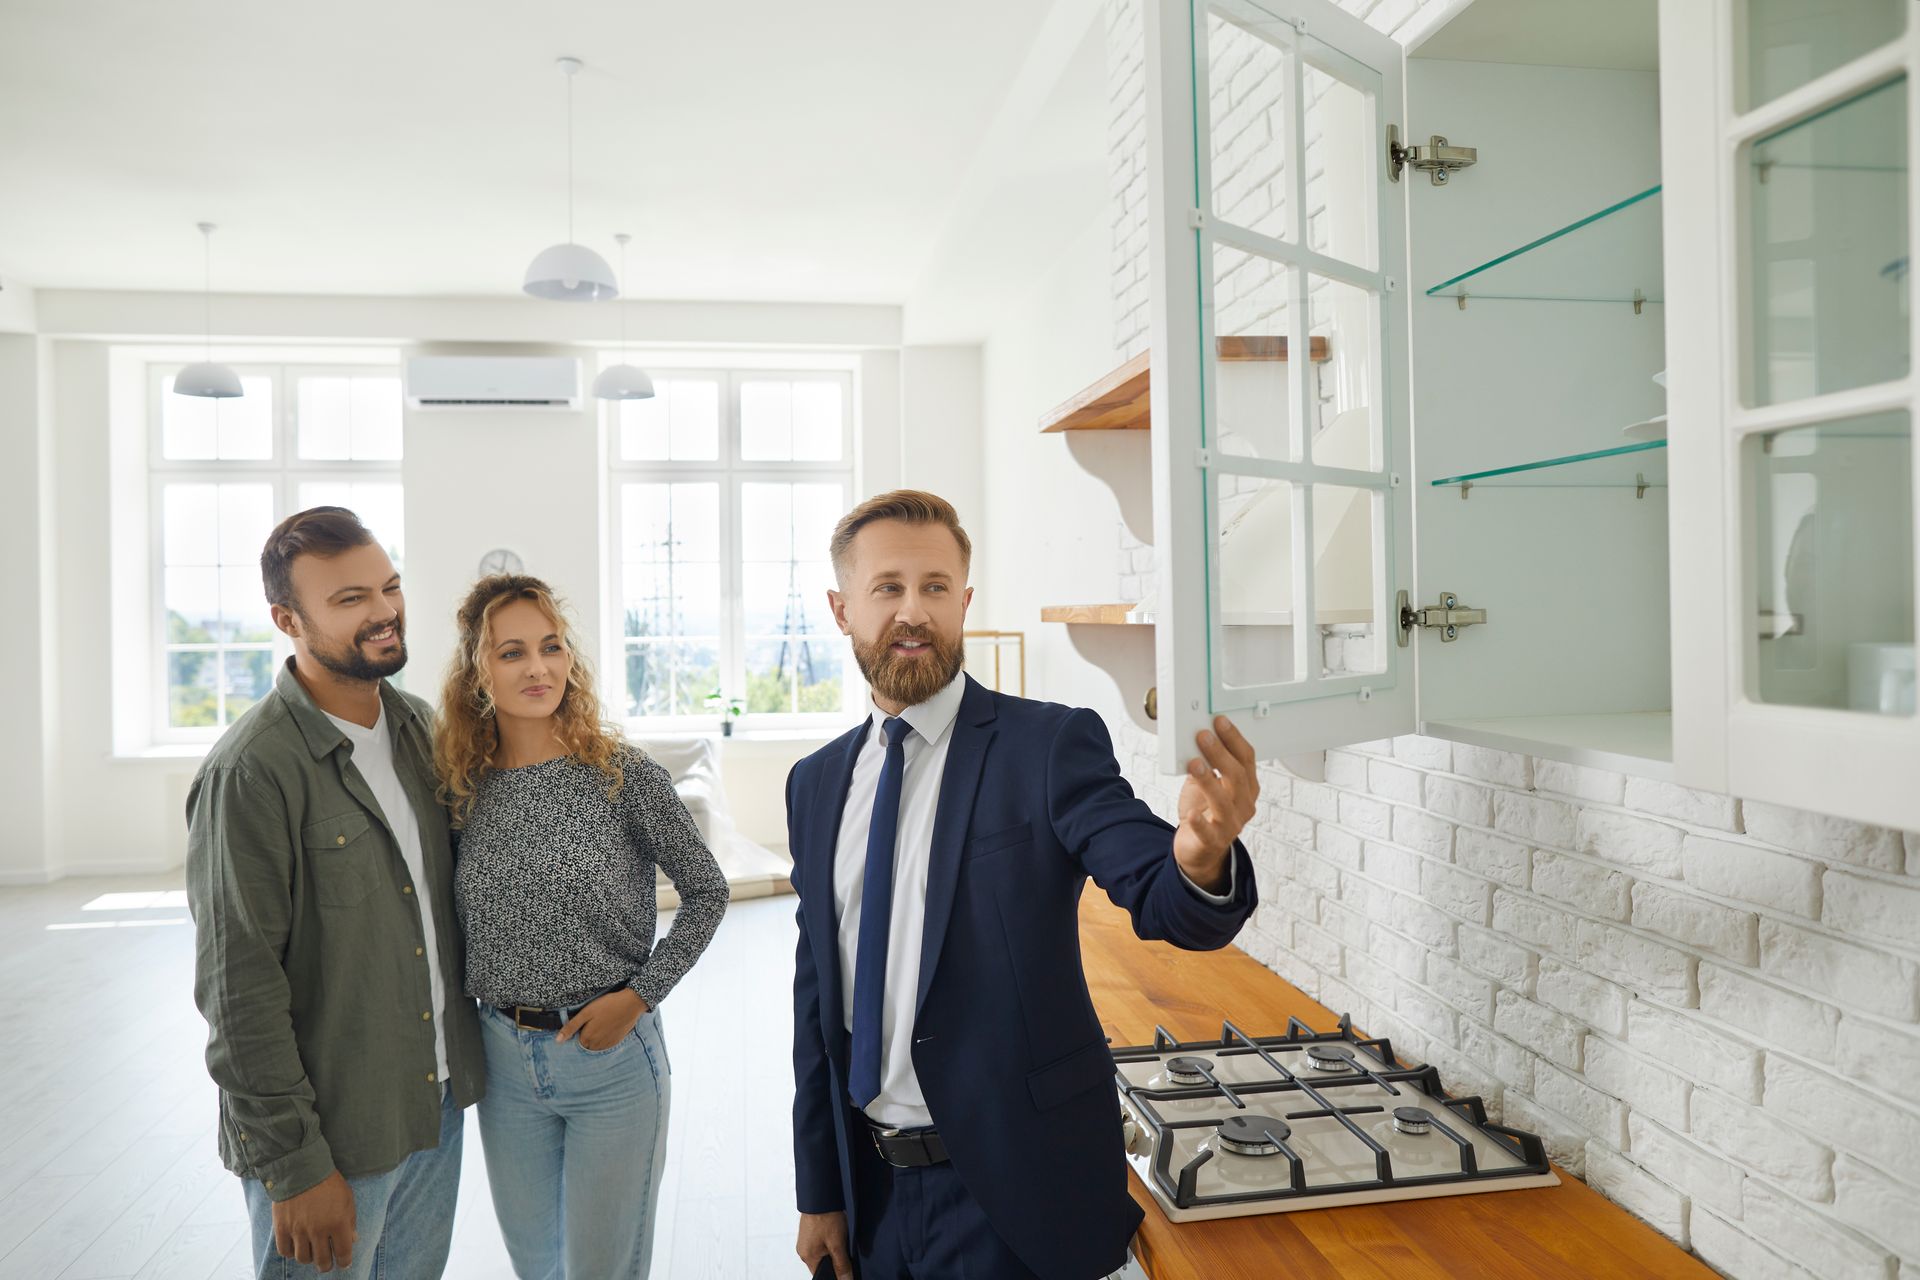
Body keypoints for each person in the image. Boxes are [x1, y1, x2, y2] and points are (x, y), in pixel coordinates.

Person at [789, 491, 1261, 1280]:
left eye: (936, 587)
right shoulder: (815, 784)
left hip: (1016, 1197)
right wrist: (820, 1190)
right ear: (842, 609)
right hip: (870, 1192)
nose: (914, 611)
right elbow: (815, 1001)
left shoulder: (1046, 745)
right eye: (888, 588)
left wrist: (1201, 854)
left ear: (965, 601)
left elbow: (1161, 892)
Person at [186, 507, 482, 1279]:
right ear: (287, 619)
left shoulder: (419, 730)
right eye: (350, 599)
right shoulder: (250, 772)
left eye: (388, 587)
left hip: (431, 1107)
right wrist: (294, 1166)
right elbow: (237, 988)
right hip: (330, 1139)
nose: (384, 611)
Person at [436, 574, 729, 1280]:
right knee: (537, 1267)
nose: (538, 668)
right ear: (478, 672)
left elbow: (707, 892)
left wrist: (639, 996)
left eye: (551, 647)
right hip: (502, 1062)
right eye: (511, 653)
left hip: (612, 1061)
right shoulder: (457, 787)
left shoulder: (623, 776)